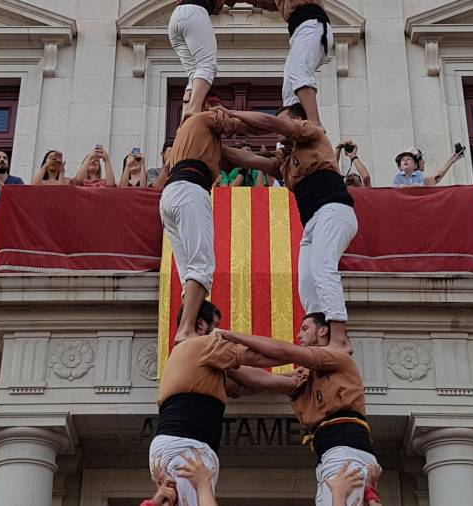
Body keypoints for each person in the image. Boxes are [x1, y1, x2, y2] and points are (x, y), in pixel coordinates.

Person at [219, 104, 356, 351]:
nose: (277, 128)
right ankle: (318, 330)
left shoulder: (312, 133)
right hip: (314, 221)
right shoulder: (285, 161)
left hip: (334, 211)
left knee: (323, 269)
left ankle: (339, 337)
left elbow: (268, 122)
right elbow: (248, 159)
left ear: (295, 121)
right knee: (307, 280)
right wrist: (213, 144)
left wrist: (232, 114)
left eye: (282, 121)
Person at [219, 312, 379, 506]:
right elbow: (264, 380)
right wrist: (221, 359)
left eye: (304, 329)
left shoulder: (337, 357)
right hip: (330, 453)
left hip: (345, 449)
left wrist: (230, 336)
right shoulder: (305, 375)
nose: (299, 335)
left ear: (323, 330)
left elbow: (282, 351)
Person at [149, 301, 284, 506]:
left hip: (173, 448)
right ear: (202, 325)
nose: (220, 333)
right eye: (217, 326)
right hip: (186, 447)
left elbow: (252, 382)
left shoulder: (197, 366)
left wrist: (294, 379)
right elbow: (258, 357)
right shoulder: (203, 346)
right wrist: (309, 357)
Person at [160, 102, 248, 342]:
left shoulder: (199, 139)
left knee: (189, 273)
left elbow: (241, 157)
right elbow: (237, 125)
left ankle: (192, 323)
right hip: (190, 189)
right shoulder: (201, 120)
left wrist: (273, 164)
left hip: (171, 195)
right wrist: (286, 127)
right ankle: (186, 329)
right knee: (202, 265)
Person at [251, 0, 332, 127]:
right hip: (302, 29)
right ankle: (294, 129)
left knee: (299, 72)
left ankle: (315, 124)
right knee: (289, 92)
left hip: (311, 24)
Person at [169, 0, 237, 117]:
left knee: (194, 73)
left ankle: (184, 121)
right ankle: (193, 112)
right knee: (207, 65)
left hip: (176, 17)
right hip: (194, 11)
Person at [391, 147, 462, 188]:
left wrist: (454, 157)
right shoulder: (426, 181)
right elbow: (437, 176)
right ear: (416, 163)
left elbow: (438, 175)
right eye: (421, 158)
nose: (424, 162)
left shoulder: (421, 179)